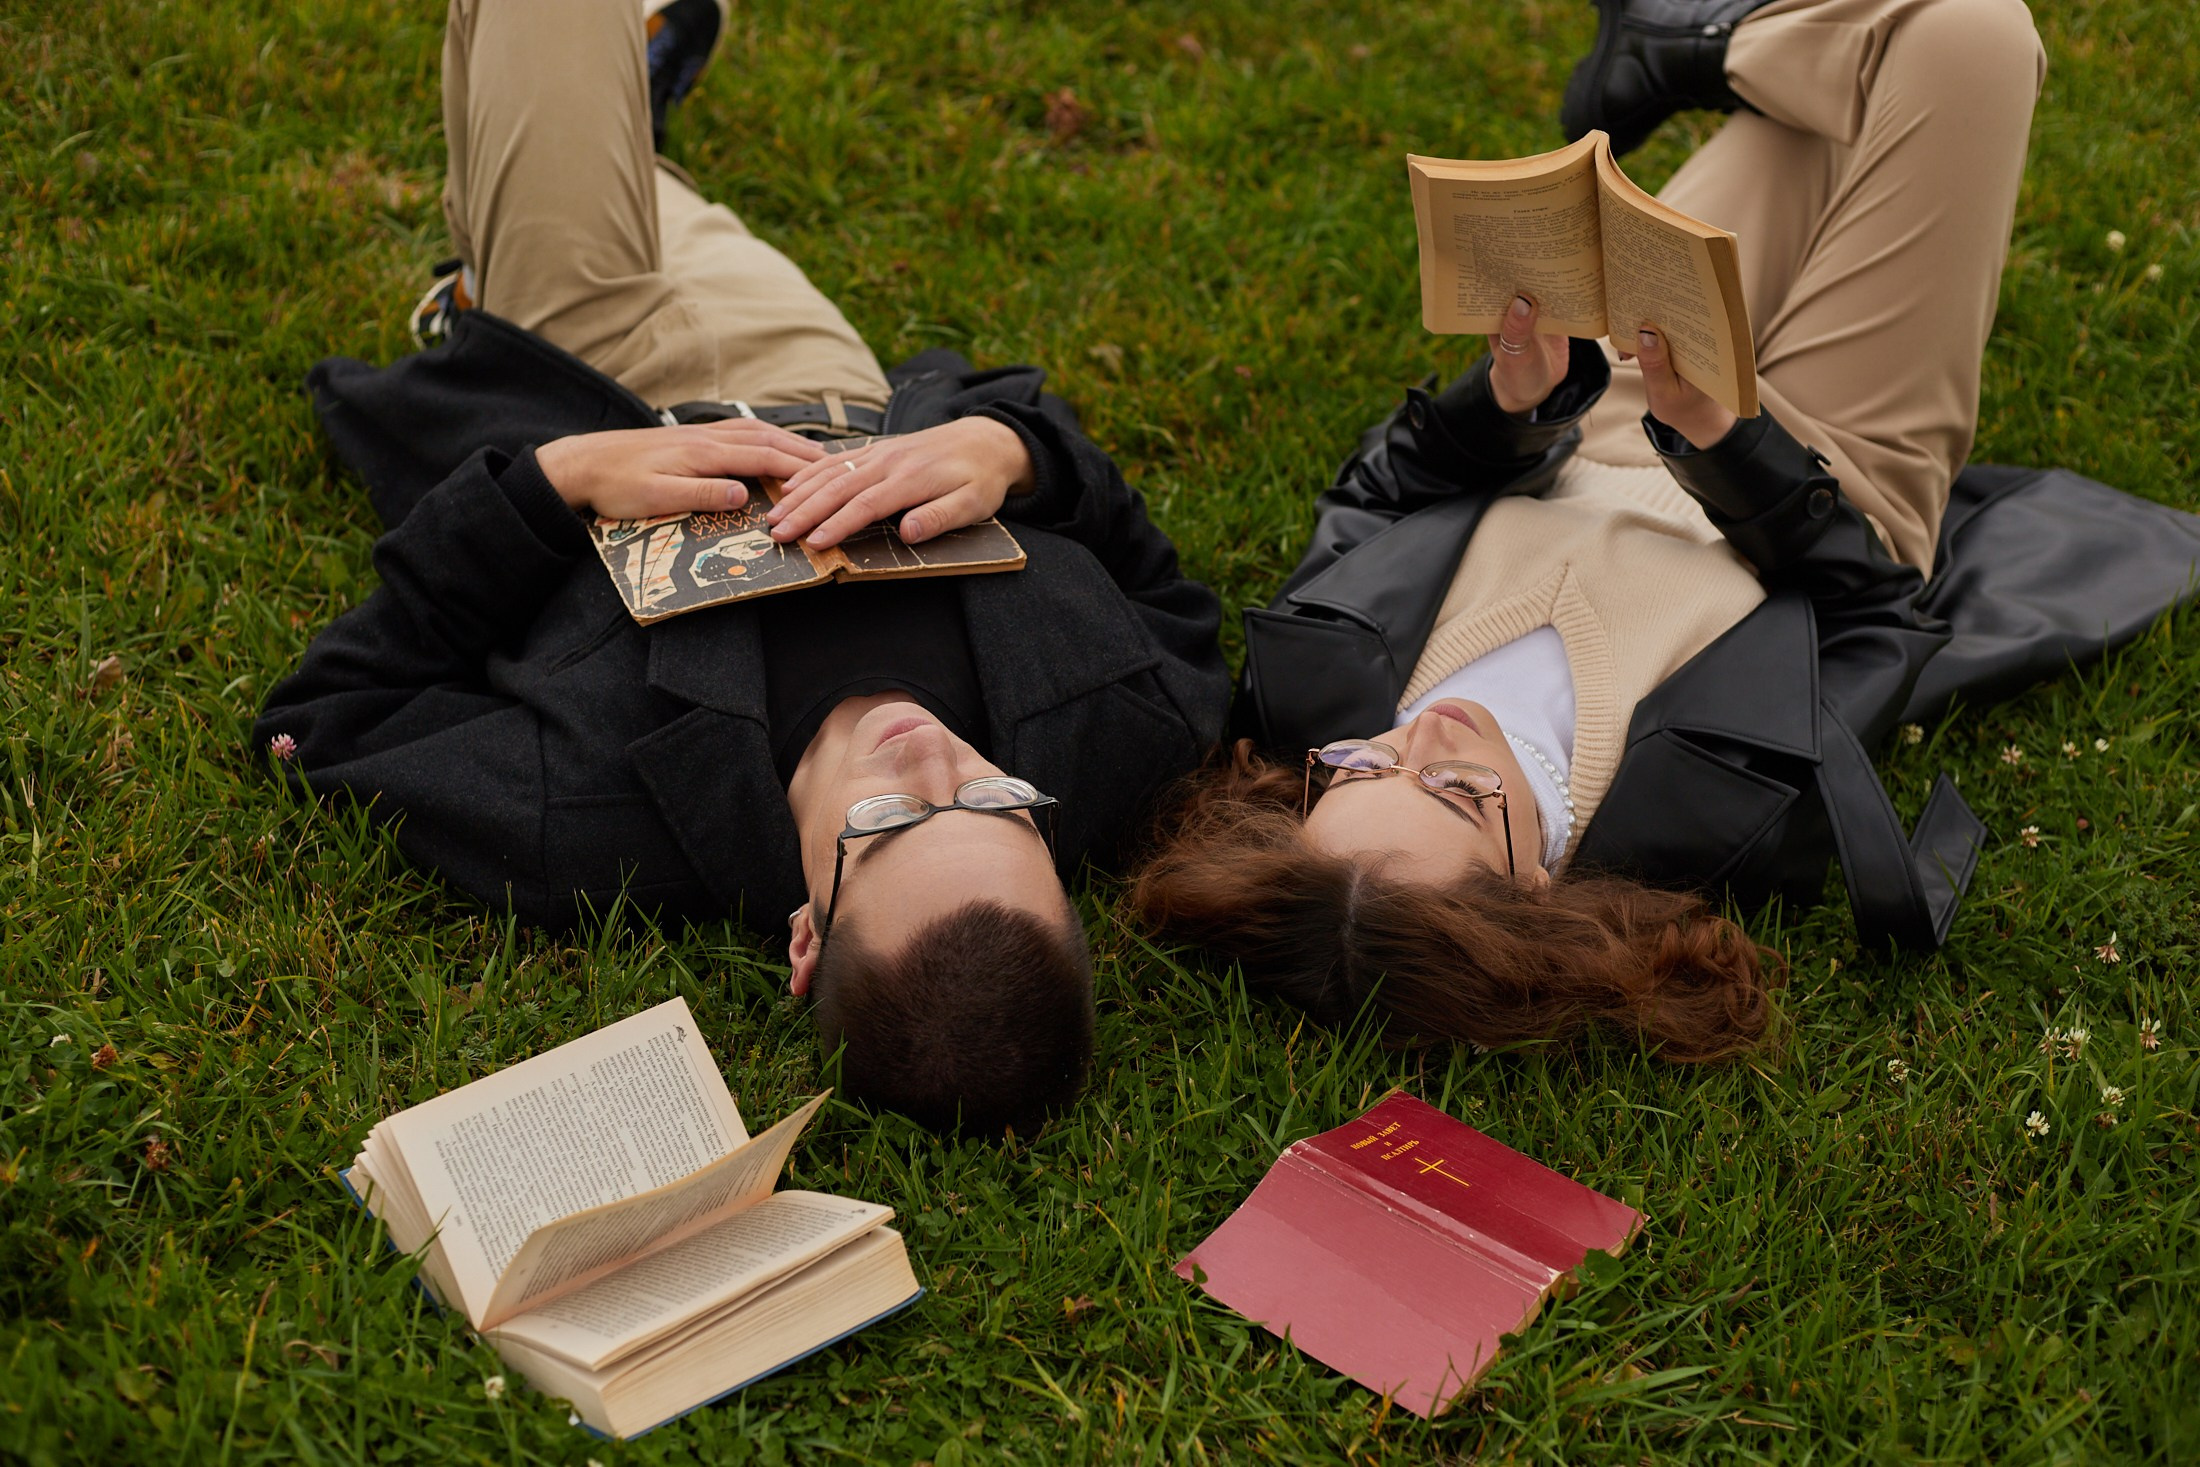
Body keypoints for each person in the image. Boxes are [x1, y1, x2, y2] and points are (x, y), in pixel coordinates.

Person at [1133, 0, 2200, 1060]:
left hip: (1600, 403)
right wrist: (1726, 442)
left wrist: (1514, 405)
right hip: (1828, 467)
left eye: (1365, 770)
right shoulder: (1700, 815)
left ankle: (1700, 50)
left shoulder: (1309, 693)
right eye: (1459, 796)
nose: (1427, 739)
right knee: (1972, 37)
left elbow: (1380, 496)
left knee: (1824, 112)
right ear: (1531, 886)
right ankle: (1697, 46)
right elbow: (1872, 615)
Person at [256, 0, 1230, 1134]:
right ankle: (597, 170)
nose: (932, 762)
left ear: (805, 936)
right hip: (824, 373)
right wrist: (1013, 449)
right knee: (597, 165)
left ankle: (510, 269)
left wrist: (552, 482)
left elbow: (322, 721)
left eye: (888, 826)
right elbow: (1167, 595)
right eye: (994, 804)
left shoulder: (589, 818)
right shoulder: (1128, 735)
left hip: (584, 368)